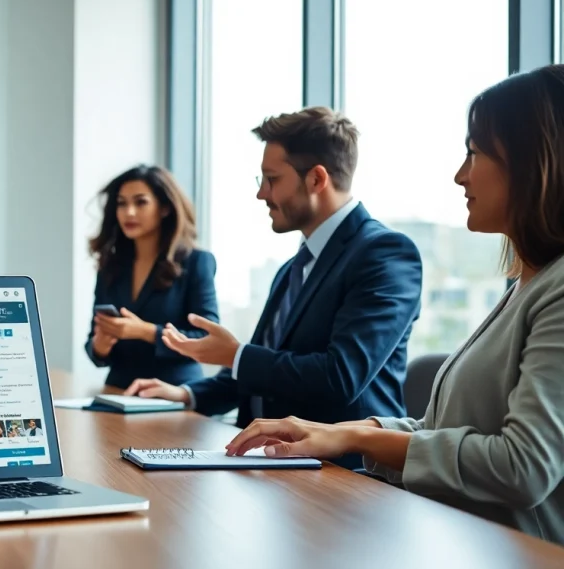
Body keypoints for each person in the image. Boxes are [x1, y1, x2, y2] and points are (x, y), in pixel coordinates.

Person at [224, 65, 564, 544]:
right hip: (461, 537)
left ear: (532, 162)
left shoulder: (557, 291)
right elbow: (438, 427)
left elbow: (523, 467)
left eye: (474, 152)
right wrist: (337, 430)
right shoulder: (523, 286)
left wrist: (356, 437)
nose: (459, 174)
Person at [126, 107, 423, 470]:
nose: (262, 194)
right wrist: (185, 393)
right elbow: (261, 370)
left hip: (346, 476)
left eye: (271, 179)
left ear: (316, 179)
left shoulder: (385, 254)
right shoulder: (293, 268)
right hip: (275, 467)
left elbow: (340, 377)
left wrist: (235, 355)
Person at [85, 165, 219, 388]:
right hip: (119, 392)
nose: (129, 212)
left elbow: (206, 337)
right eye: (121, 203)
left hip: (176, 393)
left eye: (140, 202)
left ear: (165, 208)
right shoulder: (110, 266)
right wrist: (100, 345)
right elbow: (94, 348)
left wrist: (146, 332)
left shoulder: (196, 262)